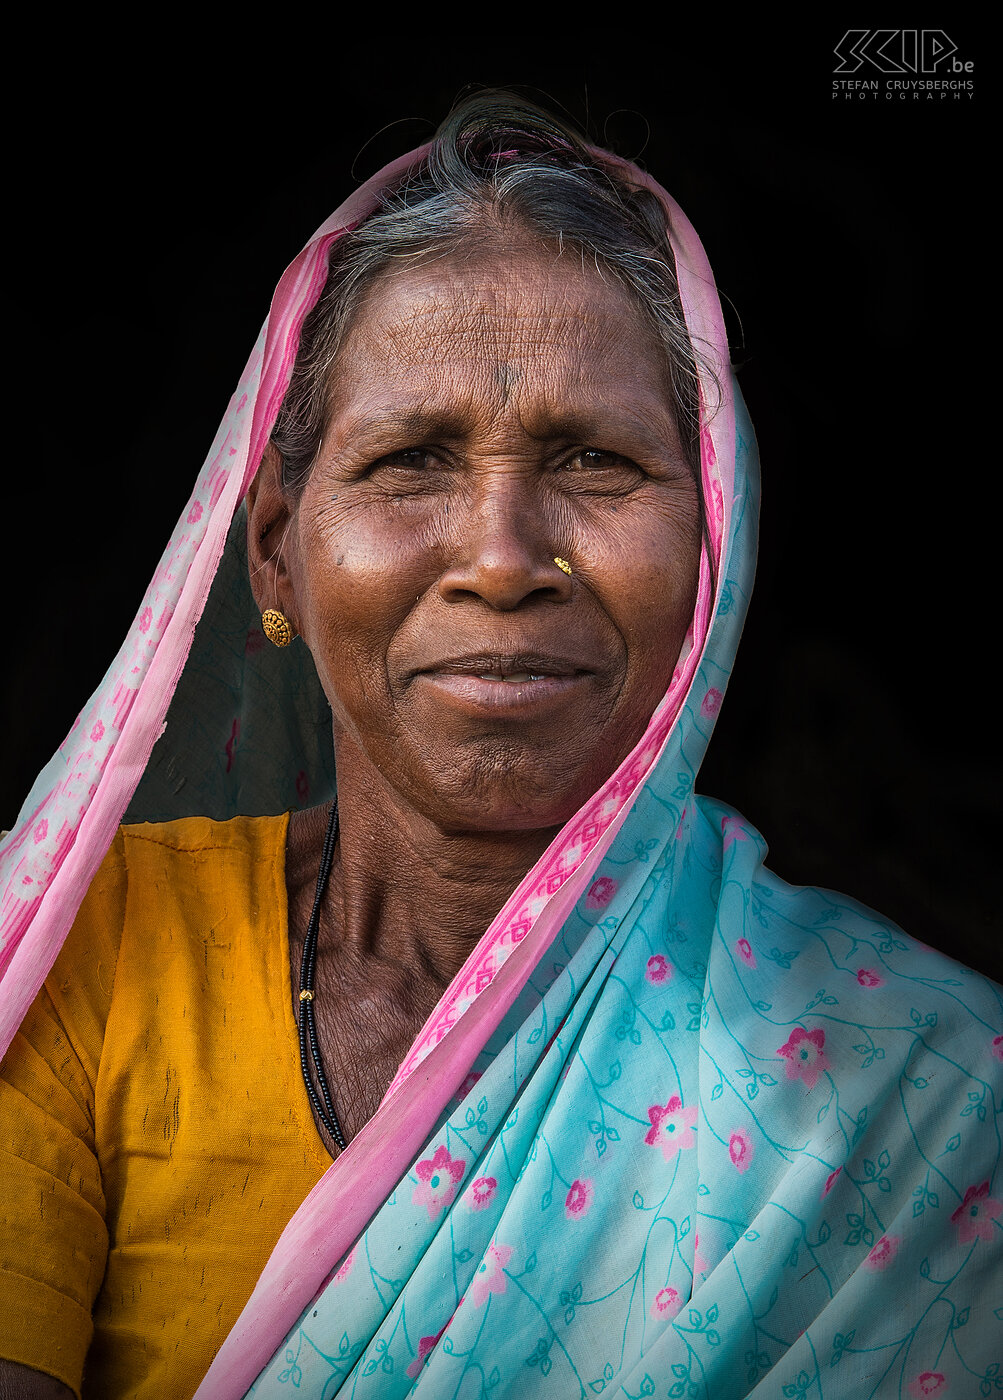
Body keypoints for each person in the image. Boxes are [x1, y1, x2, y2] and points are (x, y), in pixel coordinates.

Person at [1, 91, 999, 1400]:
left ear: (714, 538)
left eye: (593, 459)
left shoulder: (918, 1099)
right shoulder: (86, 964)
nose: (502, 559)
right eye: (412, 459)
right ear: (275, 554)